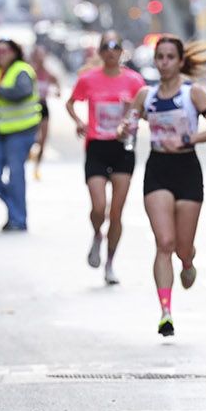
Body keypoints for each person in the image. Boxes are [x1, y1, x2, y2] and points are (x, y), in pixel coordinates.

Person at [118, 35, 206, 336]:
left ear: (180, 61)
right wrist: (124, 128)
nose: (164, 63)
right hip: (158, 170)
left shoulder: (193, 93)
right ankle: (165, 312)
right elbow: (127, 128)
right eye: (160, 57)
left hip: (187, 170)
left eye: (170, 57)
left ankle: (188, 262)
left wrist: (188, 138)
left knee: (182, 248)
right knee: (164, 242)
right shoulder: (145, 95)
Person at [67, 32, 147, 285]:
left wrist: (132, 113)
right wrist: (79, 122)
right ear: (100, 52)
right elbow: (70, 102)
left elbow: (145, 110)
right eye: (106, 47)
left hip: (123, 147)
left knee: (116, 212)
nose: (111, 51)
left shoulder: (134, 81)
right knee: (99, 207)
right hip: (97, 147)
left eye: (115, 47)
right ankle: (96, 235)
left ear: (122, 51)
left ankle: (110, 263)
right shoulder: (88, 79)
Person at [0, 38, 43, 232]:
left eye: (5, 51)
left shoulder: (22, 70)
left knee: (15, 175)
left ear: (14, 52)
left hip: (21, 131)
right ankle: (15, 209)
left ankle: (18, 218)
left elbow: (21, 92)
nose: (1, 55)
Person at [30, 44, 61, 180]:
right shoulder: (30, 72)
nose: (40, 58)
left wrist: (57, 91)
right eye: (37, 55)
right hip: (31, 107)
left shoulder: (48, 73)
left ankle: (37, 167)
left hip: (43, 106)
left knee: (43, 139)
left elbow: (57, 85)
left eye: (42, 56)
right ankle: (29, 156)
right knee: (32, 138)